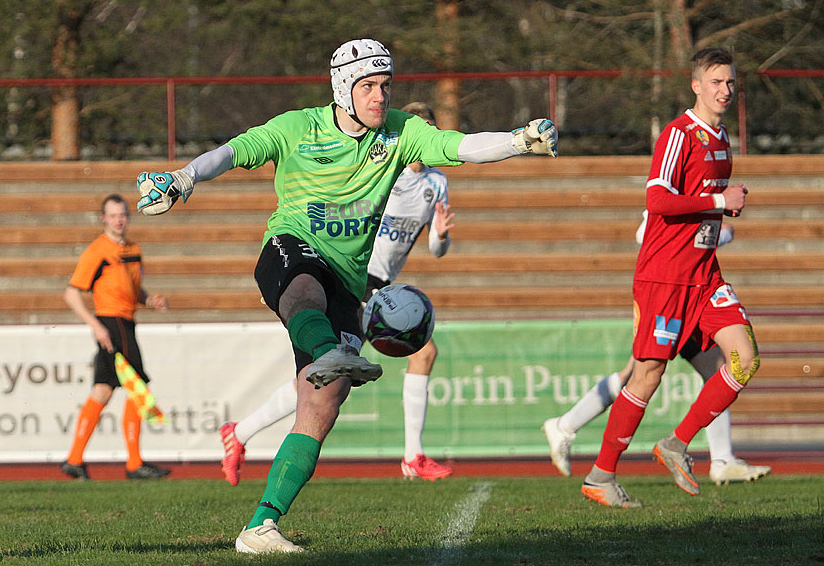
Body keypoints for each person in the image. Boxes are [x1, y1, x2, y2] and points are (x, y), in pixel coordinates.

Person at [136, 38, 558, 553]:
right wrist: (183, 176)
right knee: (304, 290)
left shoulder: (403, 131)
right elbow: (231, 152)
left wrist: (519, 141)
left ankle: (261, 527)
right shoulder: (296, 127)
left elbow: (459, 145)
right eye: (369, 86)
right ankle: (326, 352)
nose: (381, 96)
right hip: (290, 248)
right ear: (342, 88)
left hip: (350, 282)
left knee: (322, 403)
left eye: (385, 85)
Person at [219, 101, 456, 487]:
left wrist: (441, 235)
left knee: (323, 373)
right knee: (417, 351)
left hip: (382, 283)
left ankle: (239, 433)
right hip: (354, 276)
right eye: (420, 127)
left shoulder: (436, 184)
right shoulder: (385, 164)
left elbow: (436, 250)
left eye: (431, 127)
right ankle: (413, 456)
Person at [580, 46, 759, 508]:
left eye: (731, 82)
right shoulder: (679, 135)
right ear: (696, 85)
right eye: (716, 82)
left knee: (744, 359)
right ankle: (601, 476)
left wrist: (720, 218)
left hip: (705, 275)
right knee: (647, 376)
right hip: (664, 278)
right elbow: (658, 201)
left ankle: (676, 444)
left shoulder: (721, 141)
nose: (725, 90)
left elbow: (702, 209)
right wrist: (721, 203)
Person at [544, 219, 770, 485]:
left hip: (689, 295)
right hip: (667, 295)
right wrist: (714, 235)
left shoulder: (696, 193)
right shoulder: (674, 189)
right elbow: (646, 231)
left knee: (717, 370)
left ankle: (721, 459)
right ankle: (566, 428)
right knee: (638, 376)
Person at [60, 194, 172, 480]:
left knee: (104, 389)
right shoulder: (98, 251)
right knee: (137, 388)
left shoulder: (134, 250)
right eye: (112, 215)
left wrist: (149, 300)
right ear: (103, 219)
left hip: (126, 321)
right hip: (111, 323)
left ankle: (74, 460)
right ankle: (134, 464)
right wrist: (96, 325)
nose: (118, 220)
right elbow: (72, 293)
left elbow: (134, 290)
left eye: (122, 214)